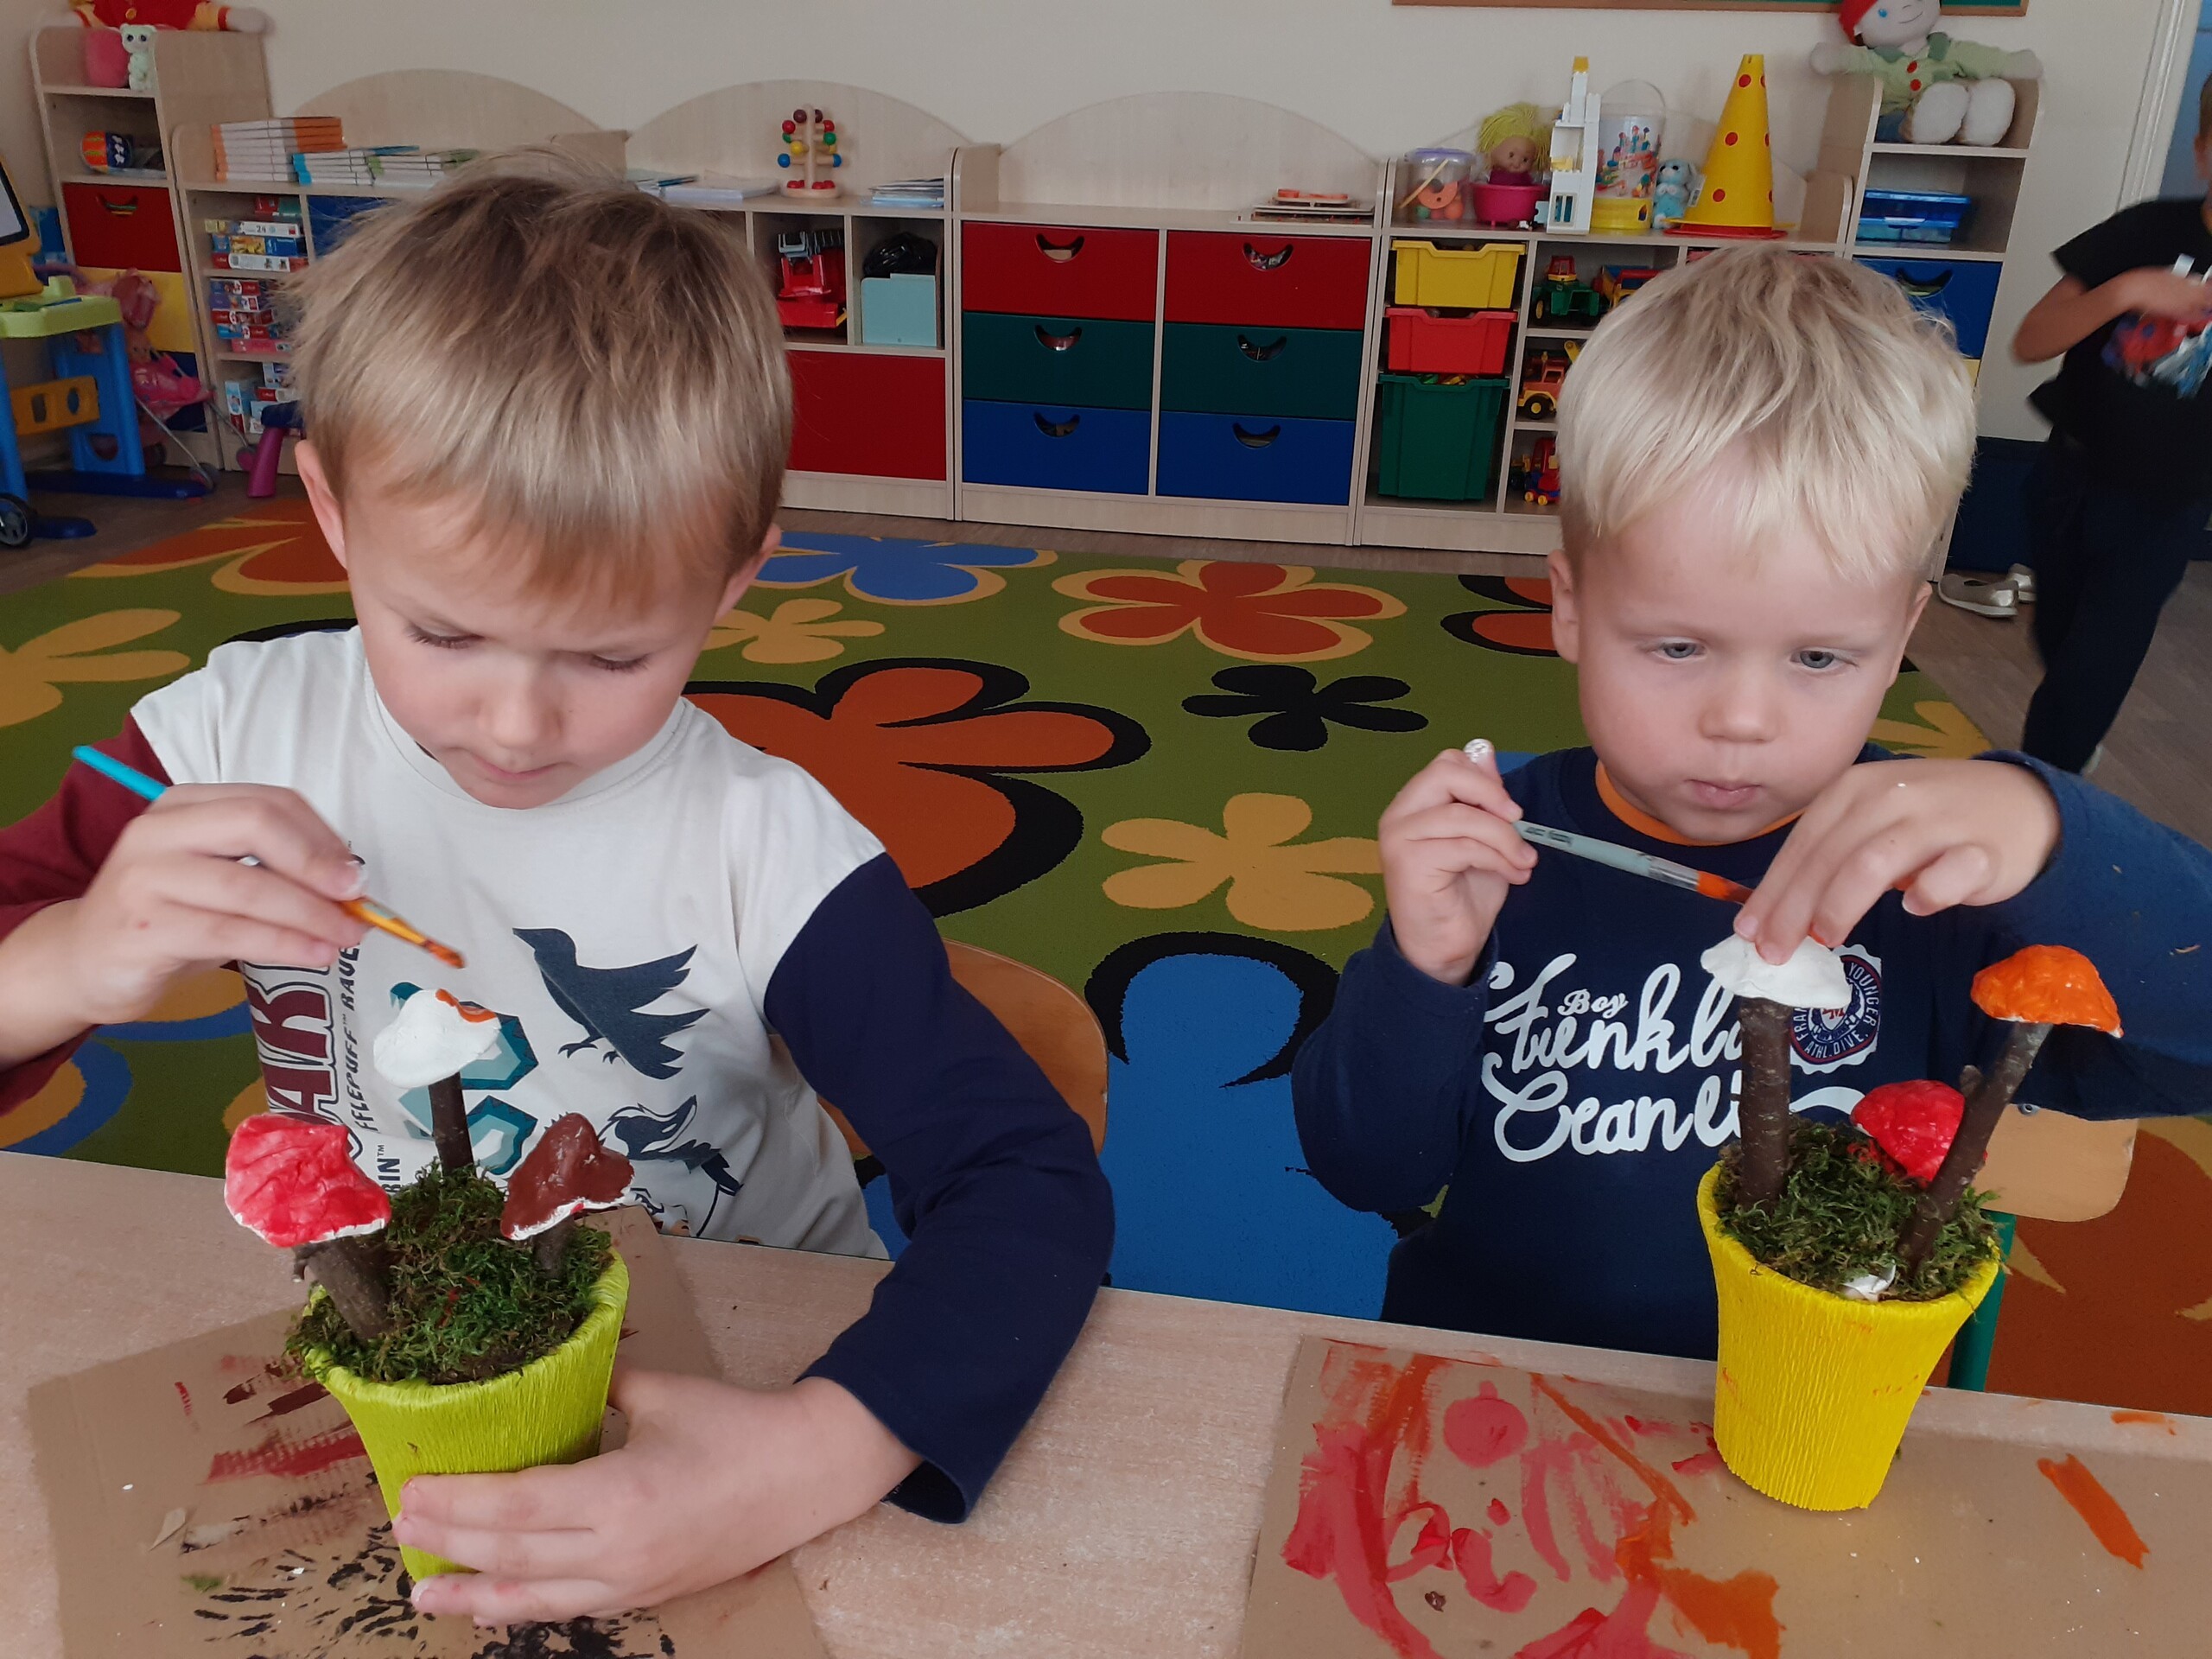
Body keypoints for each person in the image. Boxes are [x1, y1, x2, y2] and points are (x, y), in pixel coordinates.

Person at [0, 154, 1112, 1621]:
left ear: (734, 579)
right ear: (332, 511)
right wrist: (64, 960)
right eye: (443, 634)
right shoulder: (213, 743)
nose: (518, 728)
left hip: (733, 1363)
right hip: (401, 1339)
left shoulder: (767, 849)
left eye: (610, 656)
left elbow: (1031, 1184)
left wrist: (815, 1452)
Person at [1294, 246, 2212, 1362]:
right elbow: (1363, 1169)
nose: (1741, 718)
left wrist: (2052, 831)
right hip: (1500, 1386)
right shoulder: (1499, 851)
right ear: (1570, 607)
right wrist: (1423, 968)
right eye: (1677, 646)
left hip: (1812, 1414)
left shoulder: (1937, 888)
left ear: (1902, 637)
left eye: (1819, 657)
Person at [2009, 75, 2212, 773]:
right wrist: (2127, 291)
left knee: (2097, 661)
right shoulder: (2144, 231)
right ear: (2202, 153)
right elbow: (2031, 340)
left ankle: (2048, 783)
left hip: (2167, 506)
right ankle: (2068, 735)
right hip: (2069, 476)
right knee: (2060, 635)